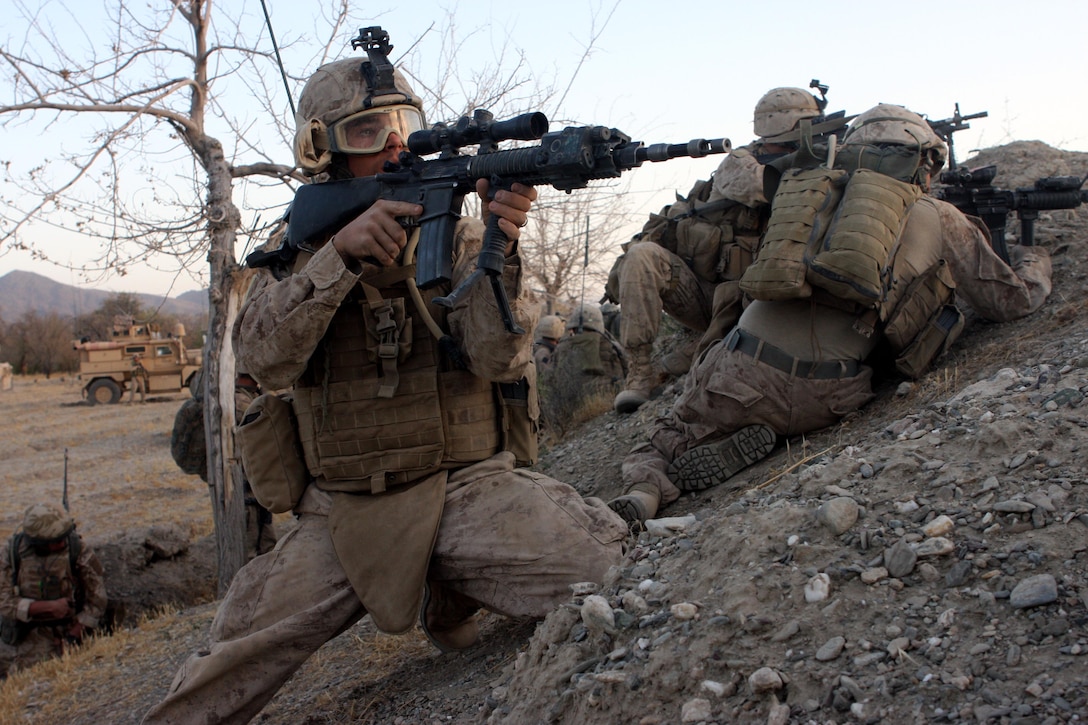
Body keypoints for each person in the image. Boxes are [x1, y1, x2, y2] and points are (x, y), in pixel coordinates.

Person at [143, 40, 627, 724]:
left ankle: (450, 588)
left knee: (614, 574)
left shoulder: (454, 234)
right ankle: (442, 582)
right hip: (340, 512)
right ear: (323, 150)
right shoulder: (294, 256)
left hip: (466, 485)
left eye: (404, 126)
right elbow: (264, 357)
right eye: (369, 132)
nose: (396, 145)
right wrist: (338, 258)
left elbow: (494, 357)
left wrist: (500, 245)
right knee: (215, 680)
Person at [607, 103, 1053, 525]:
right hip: (832, 392)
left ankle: (646, 493)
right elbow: (1011, 302)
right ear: (924, 164)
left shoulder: (802, 196)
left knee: (661, 443)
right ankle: (775, 433)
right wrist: (1035, 261)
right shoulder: (941, 215)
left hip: (737, 372)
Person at [605, 87, 843, 414]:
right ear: (796, 126)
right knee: (642, 256)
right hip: (707, 296)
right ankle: (640, 373)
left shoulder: (810, 157)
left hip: (761, 301)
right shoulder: (740, 164)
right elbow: (768, 187)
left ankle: (703, 350)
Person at [168, 371, 279, 560]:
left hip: (235, 496)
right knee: (254, 559)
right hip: (248, 499)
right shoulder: (245, 405)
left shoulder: (221, 400)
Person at [0, 503, 108, 678]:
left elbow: (97, 598)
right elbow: (4, 601)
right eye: (56, 541)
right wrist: (47, 607)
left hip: (68, 630)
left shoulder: (76, 548)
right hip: (23, 633)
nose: (62, 543)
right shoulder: (12, 553)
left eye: (64, 537)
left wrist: (74, 635)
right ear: (39, 543)